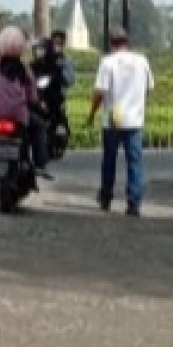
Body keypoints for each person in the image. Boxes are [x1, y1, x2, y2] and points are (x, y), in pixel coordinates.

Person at [86, 27, 154, 216]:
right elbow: (150, 88)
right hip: (134, 118)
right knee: (135, 162)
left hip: (113, 116)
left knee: (109, 159)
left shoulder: (107, 62)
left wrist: (91, 114)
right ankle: (134, 202)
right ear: (127, 42)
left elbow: (100, 92)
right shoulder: (142, 61)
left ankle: (106, 196)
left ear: (111, 44)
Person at [0, 26, 53, 180]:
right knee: (39, 127)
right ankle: (40, 164)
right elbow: (32, 96)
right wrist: (37, 105)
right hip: (18, 116)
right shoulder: (24, 69)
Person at [31, 37, 70, 133]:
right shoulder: (32, 65)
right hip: (36, 97)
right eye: (37, 49)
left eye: (41, 49)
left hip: (51, 98)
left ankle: (60, 128)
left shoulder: (55, 66)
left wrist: (55, 80)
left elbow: (62, 81)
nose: (39, 52)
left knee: (58, 110)